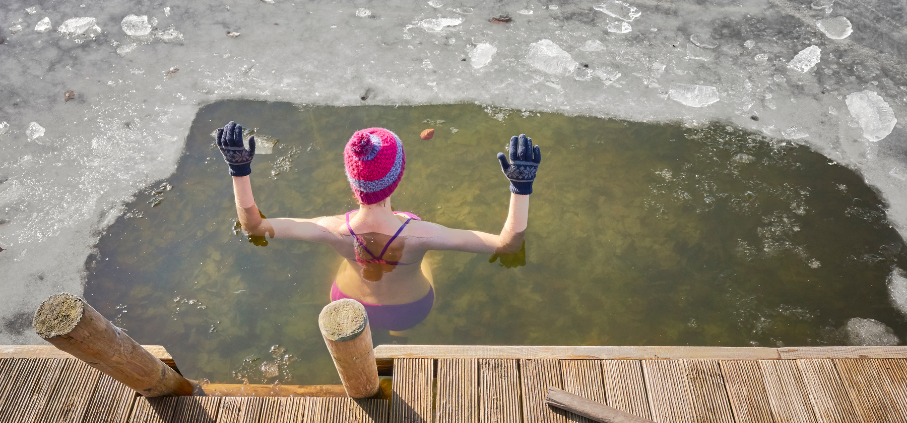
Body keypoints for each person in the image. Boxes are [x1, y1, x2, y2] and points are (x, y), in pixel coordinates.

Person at [216, 121, 541, 335]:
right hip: (409, 311)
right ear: (398, 176)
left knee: (350, 259)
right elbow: (508, 244)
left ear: (352, 181)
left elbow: (254, 226)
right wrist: (520, 189)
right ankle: (397, 337)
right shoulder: (423, 234)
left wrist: (239, 170)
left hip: (347, 304)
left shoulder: (329, 229)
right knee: (427, 261)